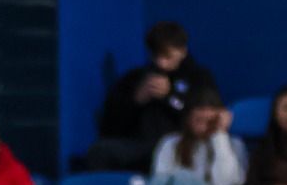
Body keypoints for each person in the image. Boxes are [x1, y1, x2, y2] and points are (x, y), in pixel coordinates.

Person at [86, 21, 219, 174]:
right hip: (140, 145)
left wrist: (169, 97)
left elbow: (203, 120)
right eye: (156, 55)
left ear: (182, 51)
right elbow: (109, 126)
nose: (161, 63)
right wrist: (135, 101)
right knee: (99, 151)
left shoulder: (199, 77)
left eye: (167, 56)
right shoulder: (134, 78)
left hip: (180, 144)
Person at [133, 93, 243, 185]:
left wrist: (219, 136)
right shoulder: (170, 143)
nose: (203, 127)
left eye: (210, 122)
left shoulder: (233, 144)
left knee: (185, 177)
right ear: (188, 118)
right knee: (160, 179)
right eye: (198, 120)